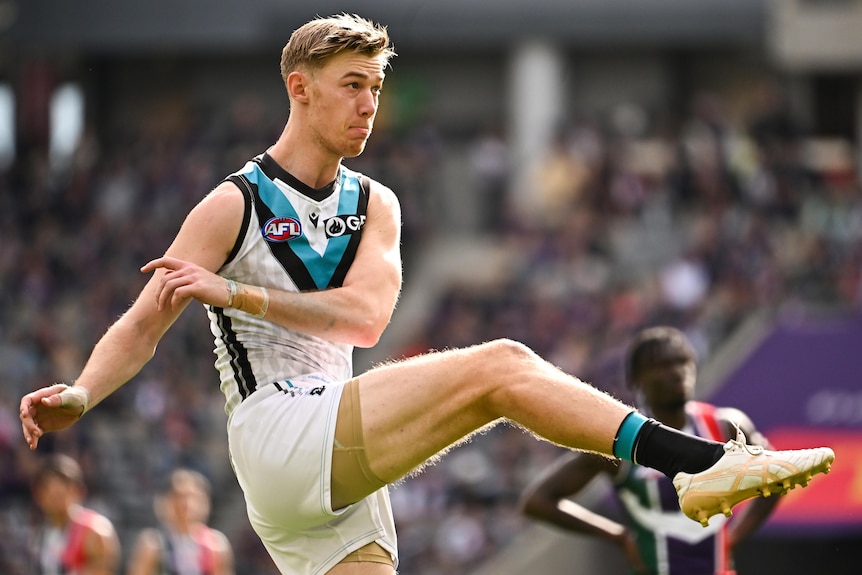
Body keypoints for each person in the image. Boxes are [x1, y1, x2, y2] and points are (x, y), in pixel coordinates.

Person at [19, 13, 834, 575]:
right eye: (351, 84)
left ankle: (698, 470)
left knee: (497, 384)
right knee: (504, 366)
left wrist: (240, 296)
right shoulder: (231, 203)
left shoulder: (377, 204)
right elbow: (142, 321)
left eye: (375, 85)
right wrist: (84, 391)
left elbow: (368, 319)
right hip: (276, 433)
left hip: (337, 455)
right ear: (298, 87)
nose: (369, 103)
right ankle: (696, 466)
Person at [520, 326, 784, 575]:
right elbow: (538, 501)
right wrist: (618, 536)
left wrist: (735, 536)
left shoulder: (726, 427)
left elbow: (777, 477)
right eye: (661, 365)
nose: (676, 372)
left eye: (682, 362)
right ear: (636, 379)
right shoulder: (619, 442)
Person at [127, 468, 234, 575]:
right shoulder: (152, 544)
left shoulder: (216, 545)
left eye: (193, 497)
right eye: (180, 497)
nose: (186, 504)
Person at [29, 453, 121, 575]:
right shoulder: (42, 534)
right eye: (49, 493)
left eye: (59, 494)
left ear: (77, 490)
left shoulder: (95, 530)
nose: (54, 500)